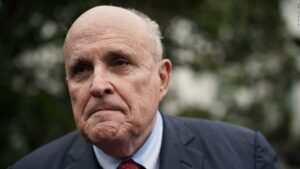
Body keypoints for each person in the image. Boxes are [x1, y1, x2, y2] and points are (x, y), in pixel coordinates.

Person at [8, 5, 281, 169]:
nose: (98, 85)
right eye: (81, 70)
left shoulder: (245, 156)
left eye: (120, 62)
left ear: (161, 78)